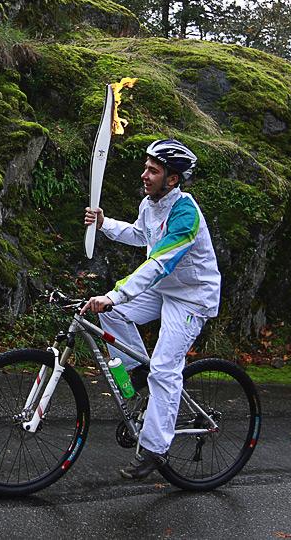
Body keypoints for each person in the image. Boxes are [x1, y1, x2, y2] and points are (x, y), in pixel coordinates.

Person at [81, 138, 221, 480]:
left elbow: (159, 262)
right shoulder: (150, 204)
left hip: (191, 298)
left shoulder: (185, 212)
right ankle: (139, 371)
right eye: (145, 167)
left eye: (153, 170)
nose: (144, 174)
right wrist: (105, 224)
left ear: (172, 179)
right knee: (111, 313)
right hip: (163, 289)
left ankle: (156, 449)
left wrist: (118, 293)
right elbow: (141, 235)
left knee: (164, 369)